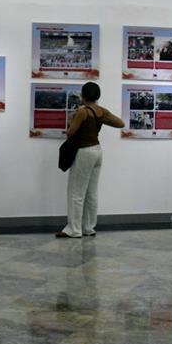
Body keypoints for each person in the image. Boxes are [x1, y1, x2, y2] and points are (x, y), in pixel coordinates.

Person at [57, 82, 124, 239]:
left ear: (83, 96)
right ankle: (89, 227)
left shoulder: (83, 112)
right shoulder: (101, 111)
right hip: (97, 151)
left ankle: (74, 229)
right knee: (92, 192)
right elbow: (121, 123)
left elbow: (70, 132)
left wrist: (72, 118)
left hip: (85, 152)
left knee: (76, 192)